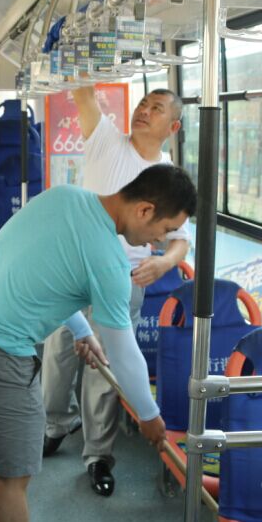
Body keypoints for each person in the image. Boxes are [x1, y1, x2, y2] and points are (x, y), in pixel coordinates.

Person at [0, 164, 197, 522]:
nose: (159, 243)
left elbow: (44, 274)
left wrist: (82, 330)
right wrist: (149, 415)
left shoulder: (64, 197)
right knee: (12, 479)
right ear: (144, 210)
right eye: (164, 230)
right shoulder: (110, 262)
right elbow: (123, 353)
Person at [41, 86, 191, 497]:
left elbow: (180, 240)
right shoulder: (106, 139)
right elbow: (84, 96)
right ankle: (56, 424)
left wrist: (163, 263)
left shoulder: (168, 175)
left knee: (104, 371)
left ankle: (98, 455)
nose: (144, 111)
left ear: (172, 127)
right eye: (143, 104)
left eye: (156, 108)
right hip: (75, 267)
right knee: (57, 355)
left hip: (124, 278)